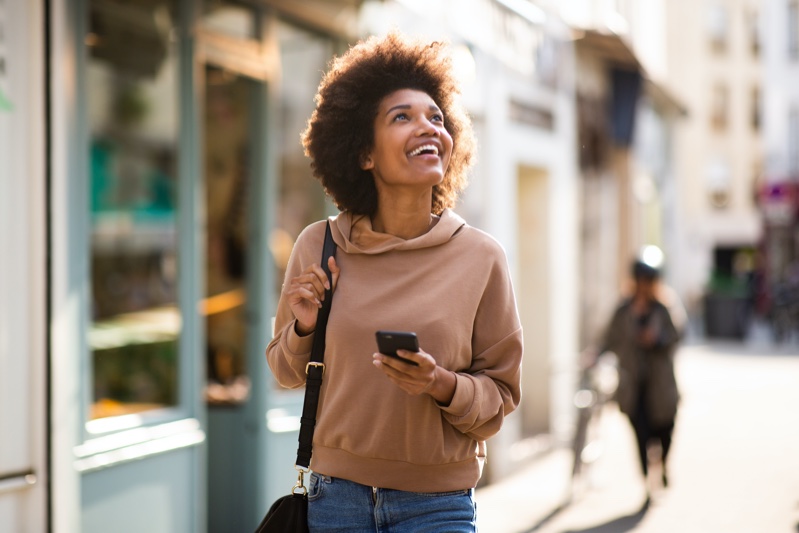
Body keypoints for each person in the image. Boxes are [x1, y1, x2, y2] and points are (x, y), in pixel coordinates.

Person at [265, 31, 523, 532]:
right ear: (364, 153)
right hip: (334, 500)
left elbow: (500, 400)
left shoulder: (481, 257)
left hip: (438, 506)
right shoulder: (320, 246)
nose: (427, 127)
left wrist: (440, 384)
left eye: (436, 117)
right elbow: (284, 372)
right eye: (402, 116)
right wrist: (302, 327)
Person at [599, 248, 683, 492]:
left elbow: (677, 335)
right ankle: (647, 479)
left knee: (665, 432)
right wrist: (596, 354)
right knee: (641, 435)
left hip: (661, 386)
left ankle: (664, 465)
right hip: (633, 388)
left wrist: (656, 340)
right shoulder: (624, 309)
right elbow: (609, 338)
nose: (645, 286)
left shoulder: (664, 308)